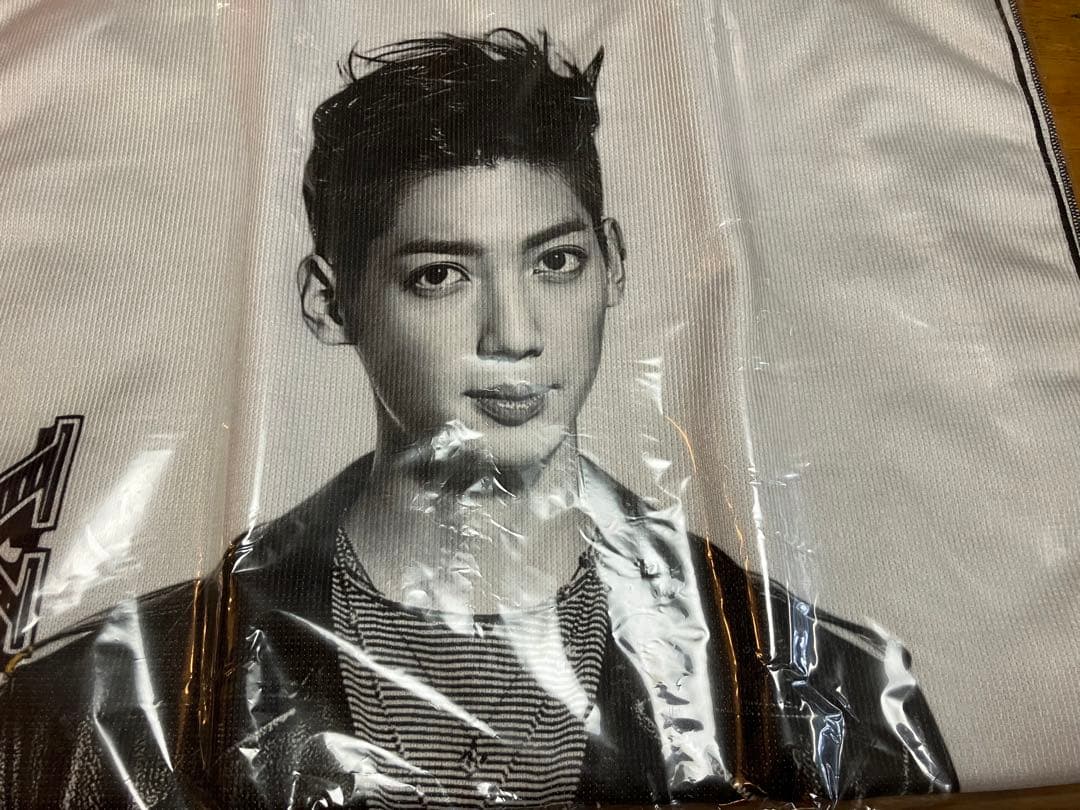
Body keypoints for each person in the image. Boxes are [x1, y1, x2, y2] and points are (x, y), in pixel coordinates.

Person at [0, 29, 957, 809]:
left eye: (555, 262)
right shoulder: (106, 701)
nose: (514, 335)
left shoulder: (820, 683)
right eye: (440, 276)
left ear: (614, 264)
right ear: (329, 302)